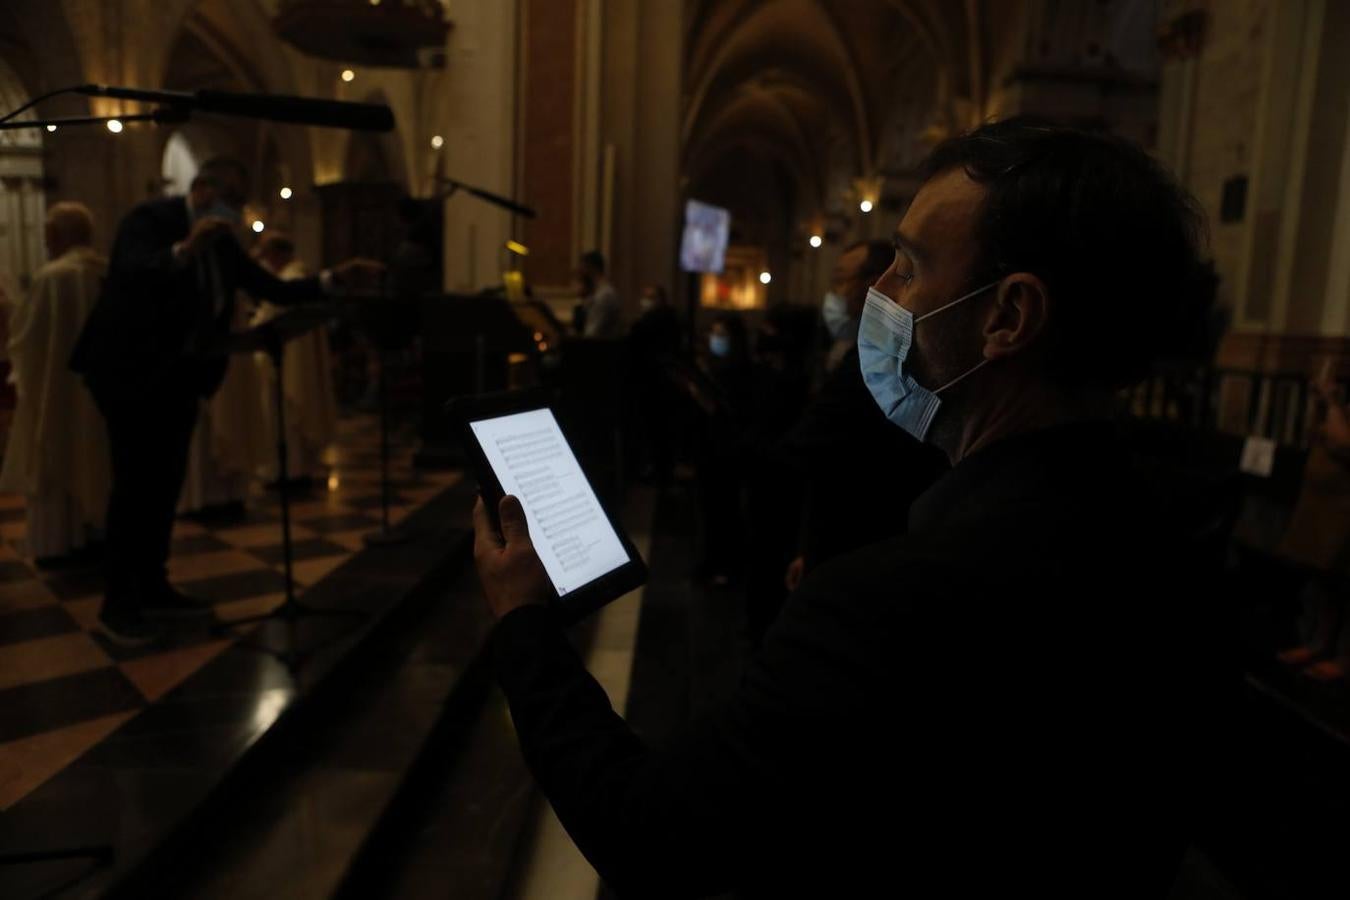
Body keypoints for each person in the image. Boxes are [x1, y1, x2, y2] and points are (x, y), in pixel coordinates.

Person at [472, 117, 1217, 897]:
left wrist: (523, 623)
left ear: (1008, 317)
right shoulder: (1175, 548)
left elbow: (651, 834)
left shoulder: (889, 603)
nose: (879, 295)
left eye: (909, 265)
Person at [70, 157, 379, 645]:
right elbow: (132, 273)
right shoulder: (151, 219)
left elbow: (272, 287)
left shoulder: (226, 247)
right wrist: (185, 249)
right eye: (231, 199)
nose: (236, 211)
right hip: (129, 375)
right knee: (135, 489)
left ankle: (154, 587)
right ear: (202, 189)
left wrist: (334, 278)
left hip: (179, 379)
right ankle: (119, 606)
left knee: (165, 486)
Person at [0, 203, 111, 560]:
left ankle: (61, 542)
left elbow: (25, 339)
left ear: (57, 235)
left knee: (56, 449)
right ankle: (100, 532)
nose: (46, 243)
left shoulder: (51, 278)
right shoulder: (107, 273)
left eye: (48, 235)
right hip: (103, 395)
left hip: (56, 391)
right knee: (98, 454)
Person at [252, 233, 338, 486]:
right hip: (292, 364)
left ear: (277, 255)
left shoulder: (292, 278)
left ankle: (289, 472)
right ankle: (295, 469)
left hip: (287, 366)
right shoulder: (301, 275)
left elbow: (268, 319)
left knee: (286, 419)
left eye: (266, 255)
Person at [577, 249, 622, 339]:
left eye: (583, 269)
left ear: (592, 268)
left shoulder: (605, 295)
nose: (580, 274)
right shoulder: (596, 294)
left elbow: (592, 333)